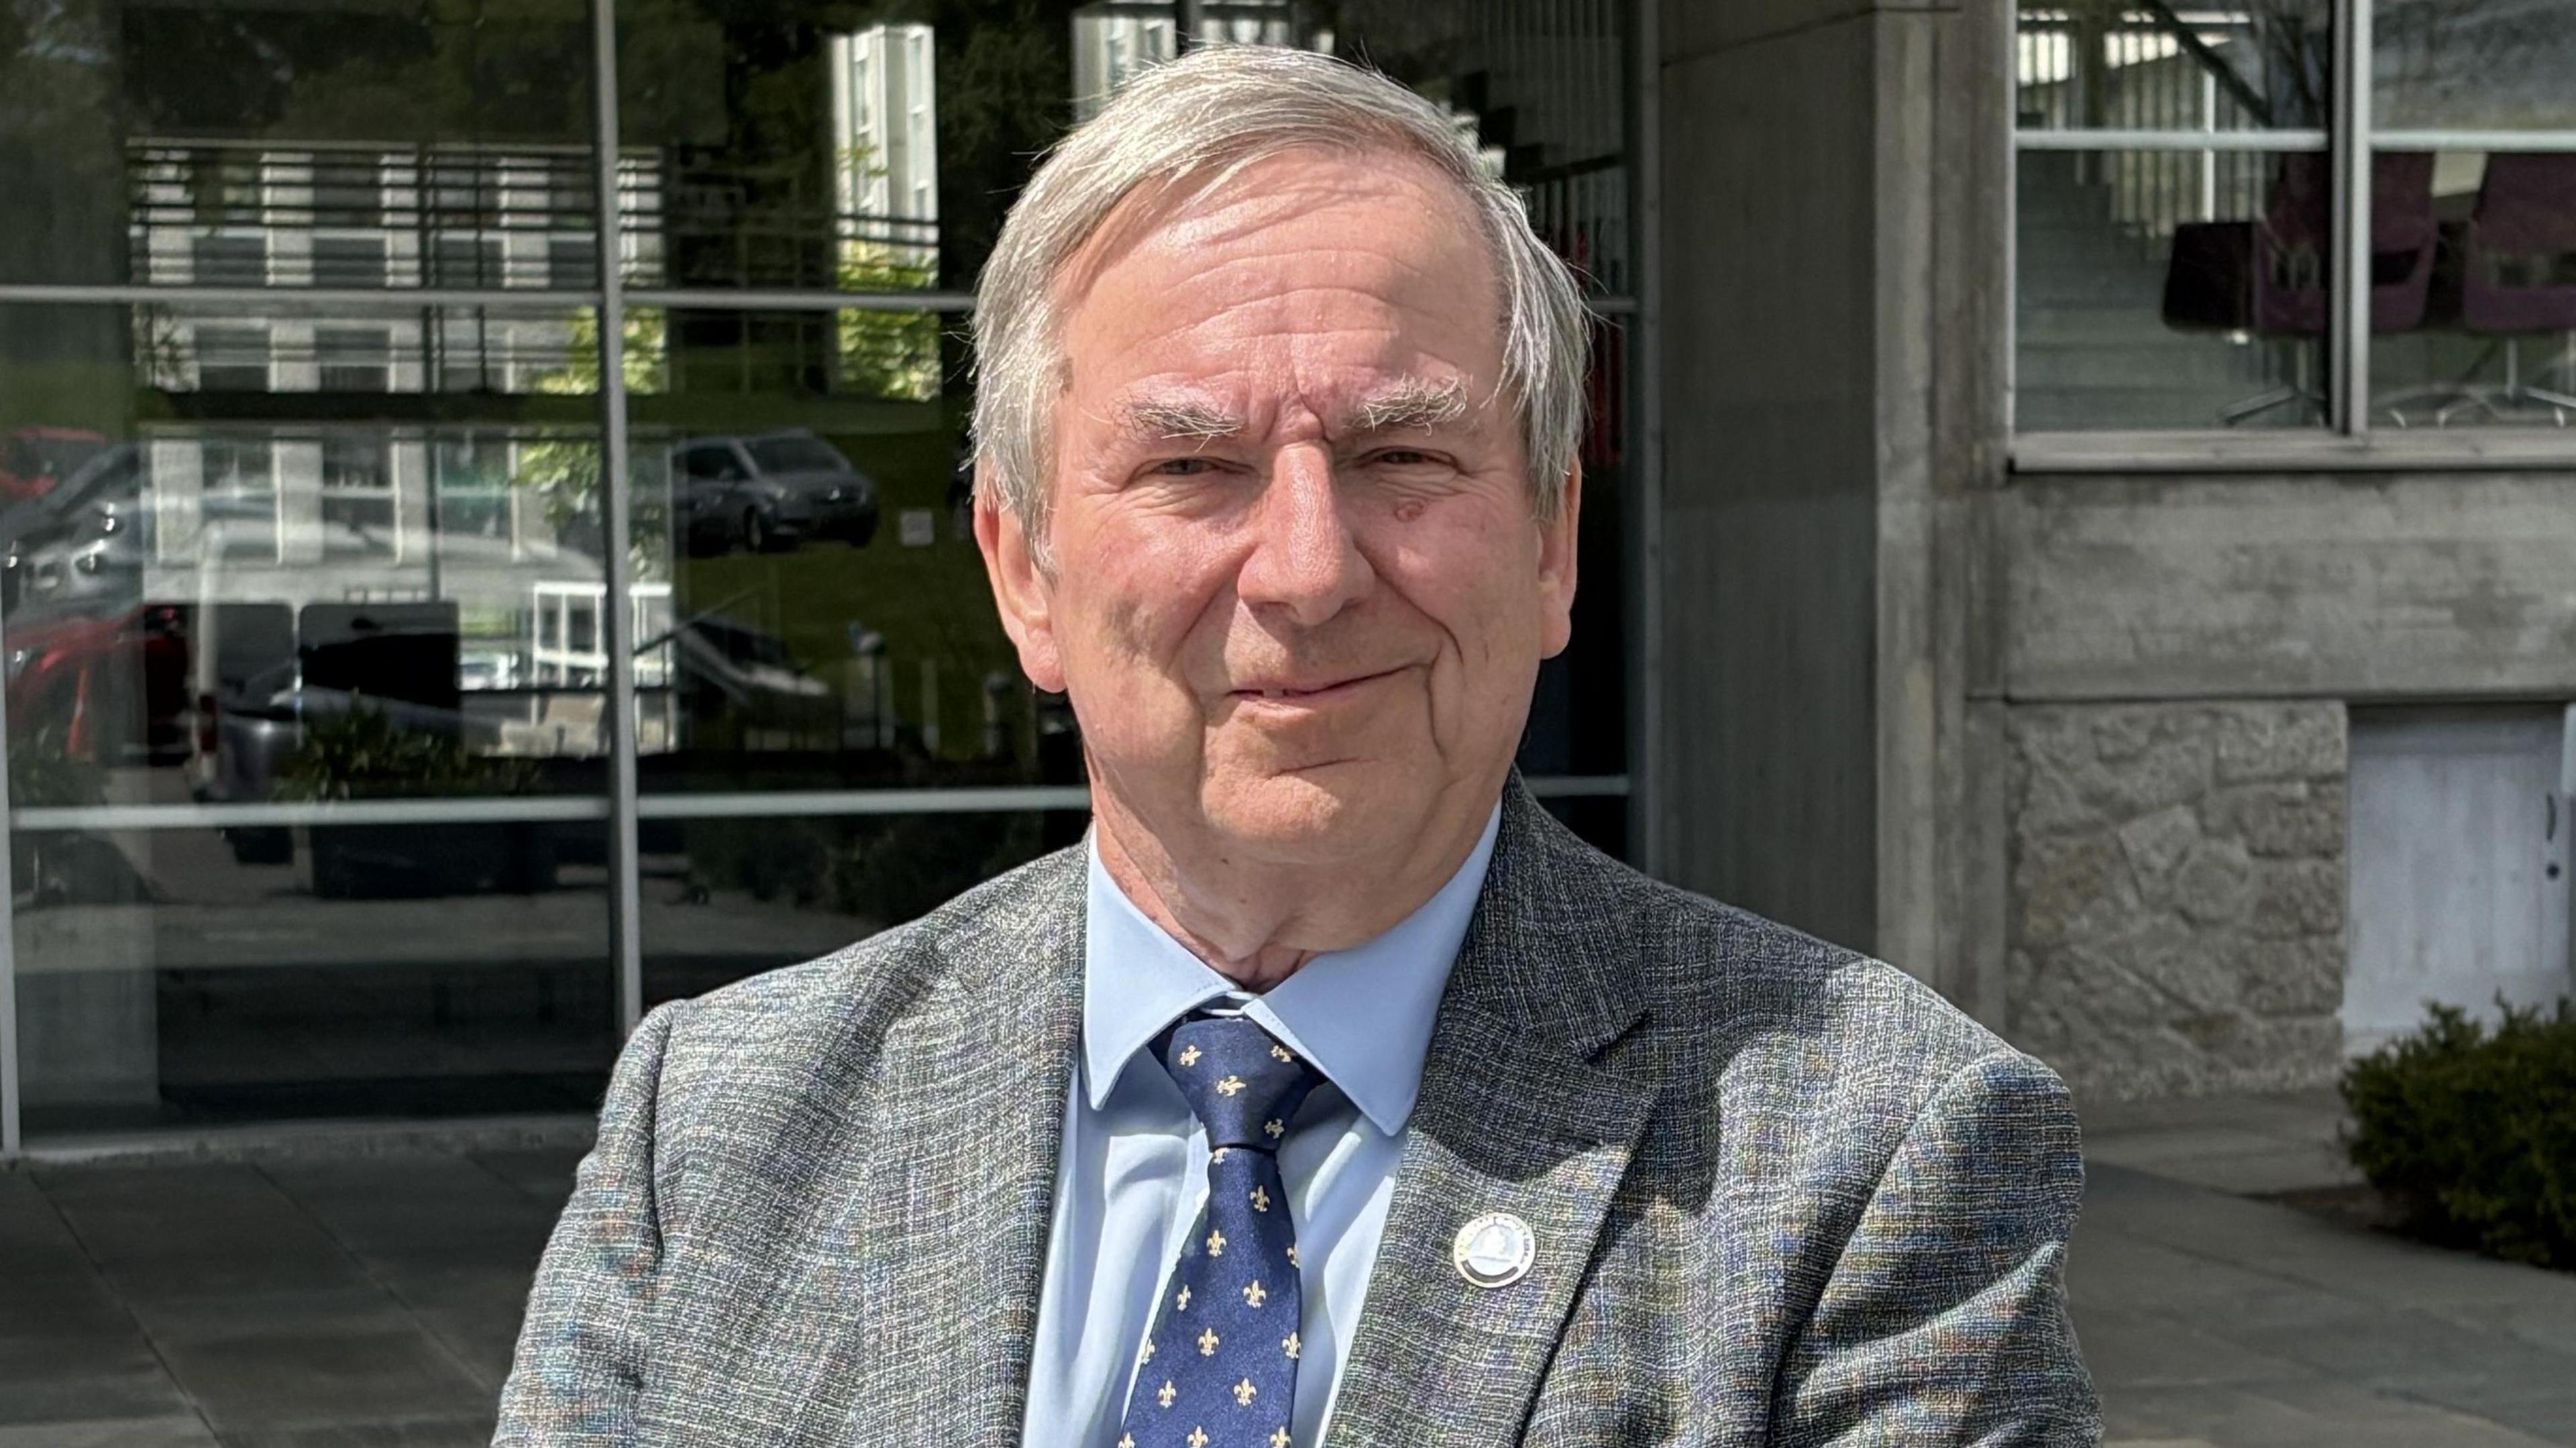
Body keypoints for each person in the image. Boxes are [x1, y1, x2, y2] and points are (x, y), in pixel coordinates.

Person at [494, 45, 2096, 1448]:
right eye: (1192, 466)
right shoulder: (715, 1122)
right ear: (1023, 574)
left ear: (1551, 546)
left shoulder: (1875, 1153)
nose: (1310, 570)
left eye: (1405, 451)